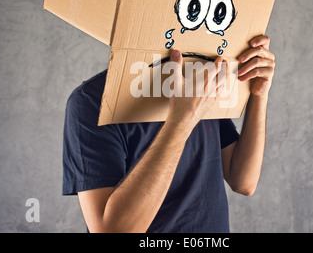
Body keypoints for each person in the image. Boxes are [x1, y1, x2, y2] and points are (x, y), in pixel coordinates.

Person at [63, 35, 276, 233]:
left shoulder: (200, 82)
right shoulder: (92, 102)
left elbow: (243, 181)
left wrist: (259, 94)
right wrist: (182, 120)